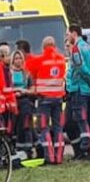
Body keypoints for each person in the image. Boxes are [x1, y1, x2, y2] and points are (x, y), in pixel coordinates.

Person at [28, 36, 67, 165]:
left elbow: (31, 75)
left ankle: (49, 157)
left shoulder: (39, 60)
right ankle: (59, 156)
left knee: (43, 127)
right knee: (58, 128)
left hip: (44, 99)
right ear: (54, 46)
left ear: (43, 47)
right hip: (58, 99)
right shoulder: (61, 59)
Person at [66, 23, 90, 162]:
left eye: (67, 34)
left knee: (81, 118)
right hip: (89, 90)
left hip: (79, 88)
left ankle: (85, 147)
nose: (67, 37)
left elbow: (80, 67)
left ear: (74, 33)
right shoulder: (89, 47)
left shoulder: (76, 48)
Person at [10, 50, 35, 156]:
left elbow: (33, 90)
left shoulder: (27, 74)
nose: (18, 61)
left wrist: (24, 91)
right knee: (13, 127)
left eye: (20, 58)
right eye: (16, 58)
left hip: (25, 102)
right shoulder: (8, 73)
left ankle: (28, 150)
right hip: (12, 102)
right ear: (12, 60)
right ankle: (14, 150)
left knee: (26, 126)